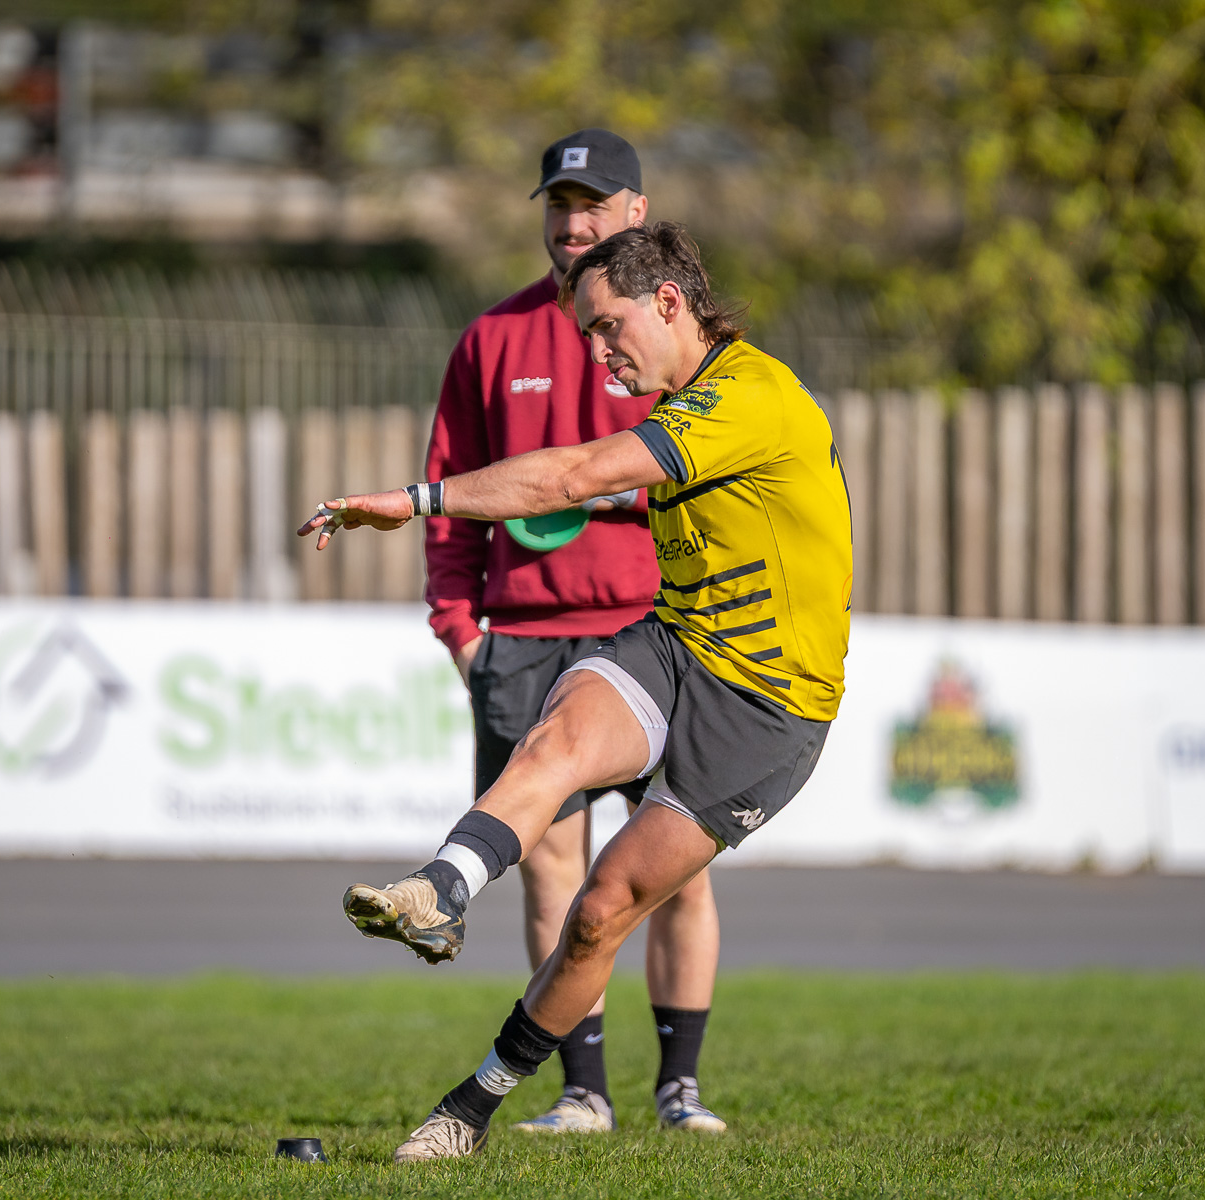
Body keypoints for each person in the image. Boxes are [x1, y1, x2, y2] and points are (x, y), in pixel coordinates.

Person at [299, 222, 854, 1162]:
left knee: (601, 910)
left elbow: (575, 472)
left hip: (767, 710)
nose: (595, 352)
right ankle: (440, 890)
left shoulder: (750, 397)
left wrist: (416, 500)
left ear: (670, 303)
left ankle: (474, 1103)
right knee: (553, 745)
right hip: (676, 643)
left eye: (607, 327)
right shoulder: (691, 401)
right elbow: (590, 489)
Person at [417, 129, 723, 1136]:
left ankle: (679, 1087)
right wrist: (463, 632)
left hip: (657, 633)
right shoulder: (491, 339)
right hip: (527, 641)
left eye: (594, 204)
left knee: (673, 869)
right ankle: (581, 1093)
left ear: (638, 214)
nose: (573, 222)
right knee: (552, 870)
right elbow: (455, 498)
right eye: (559, 205)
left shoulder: (678, 341)